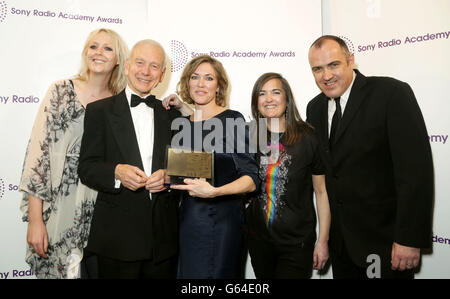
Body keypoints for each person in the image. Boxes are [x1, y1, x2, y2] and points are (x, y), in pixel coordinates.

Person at [306, 35, 433, 279]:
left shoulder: (390, 94)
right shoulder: (315, 108)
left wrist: (408, 239)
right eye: (318, 69)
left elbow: (415, 172)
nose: (326, 75)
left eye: (333, 65)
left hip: (385, 244)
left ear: (350, 61)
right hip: (342, 247)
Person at [19, 28, 129, 279]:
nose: (99, 52)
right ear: (85, 52)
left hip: (103, 211)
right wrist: (36, 220)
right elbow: (39, 155)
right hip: (59, 207)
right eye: (93, 46)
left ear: (118, 59)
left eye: (107, 48)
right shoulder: (60, 91)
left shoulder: (120, 102)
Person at [77, 39, 181, 279]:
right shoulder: (99, 111)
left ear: (162, 74)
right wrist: (116, 172)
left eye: (154, 66)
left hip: (162, 245)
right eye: (140, 63)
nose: (146, 72)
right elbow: (87, 167)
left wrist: (169, 177)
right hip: (116, 242)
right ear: (126, 66)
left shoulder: (174, 116)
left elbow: (187, 171)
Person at [167, 55, 260, 279]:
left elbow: (251, 178)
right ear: (187, 82)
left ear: (218, 86)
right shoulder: (183, 123)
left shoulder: (232, 120)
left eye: (209, 78)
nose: (200, 84)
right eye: (195, 77)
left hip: (221, 222)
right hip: (187, 222)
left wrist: (215, 191)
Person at [244, 72, 330, 278]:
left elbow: (321, 192)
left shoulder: (308, 137)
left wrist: (323, 241)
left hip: (296, 243)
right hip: (258, 240)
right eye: (262, 94)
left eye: (276, 92)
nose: (269, 99)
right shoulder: (248, 135)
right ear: (256, 102)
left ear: (287, 99)